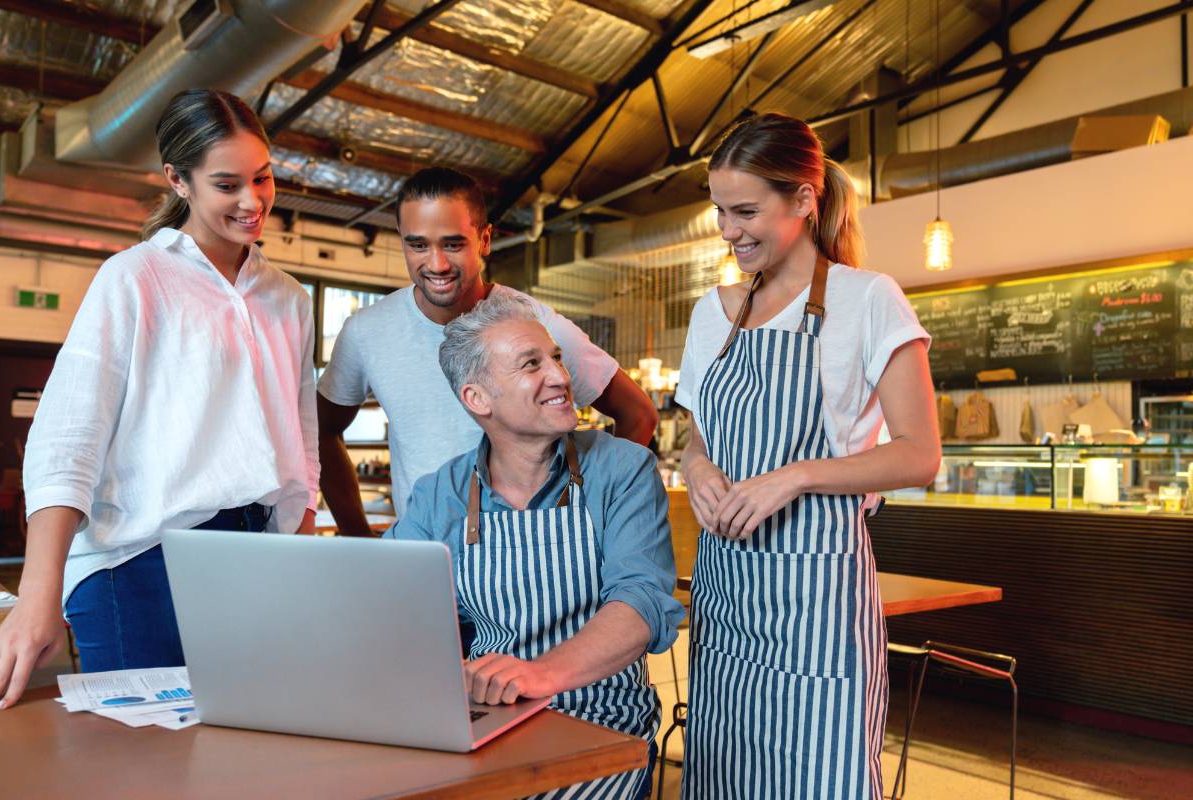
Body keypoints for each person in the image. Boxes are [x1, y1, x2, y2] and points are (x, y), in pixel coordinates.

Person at [0, 89, 319, 709]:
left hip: (258, 559)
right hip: (140, 566)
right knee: (144, 774)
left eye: (262, 176)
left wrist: (298, 563)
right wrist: (39, 597)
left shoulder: (290, 299)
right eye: (227, 185)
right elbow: (67, 441)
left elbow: (300, 446)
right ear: (179, 180)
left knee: (244, 759)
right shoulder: (135, 277)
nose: (252, 201)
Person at [676, 113, 940, 799]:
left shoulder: (867, 299)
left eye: (745, 211)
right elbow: (697, 429)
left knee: (823, 777)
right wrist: (696, 466)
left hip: (817, 602)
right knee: (724, 775)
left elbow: (920, 456)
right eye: (719, 213)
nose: (730, 232)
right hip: (727, 592)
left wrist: (795, 477)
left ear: (803, 199)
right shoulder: (713, 312)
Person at [392, 292, 683, 799]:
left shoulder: (621, 470)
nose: (560, 377)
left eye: (556, 358)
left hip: (601, 722)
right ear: (477, 399)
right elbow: (389, 604)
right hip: (486, 717)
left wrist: (540, 674)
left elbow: (639, 605)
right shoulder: (440, 494)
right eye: (532, 364)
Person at [316, 167, 657, 536]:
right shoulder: (366, 331)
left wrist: (591, 514)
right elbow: (321, 431)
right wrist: (357, 533)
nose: (437, 264)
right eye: (418, 245)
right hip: (426, 556)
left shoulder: (536, 325)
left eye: (453, 244)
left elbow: (638, 415)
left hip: (535, 552)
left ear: (484, 240)